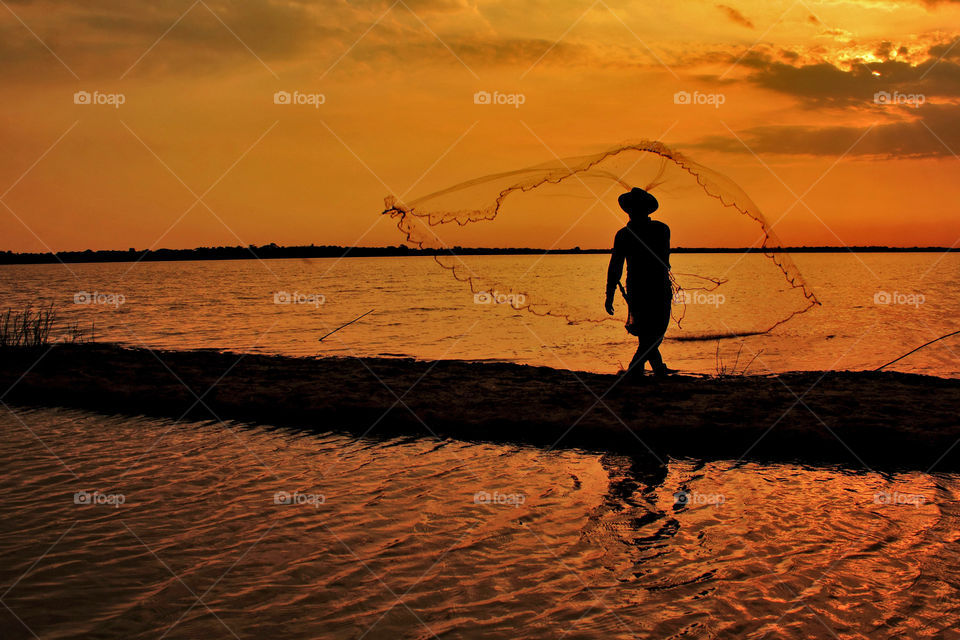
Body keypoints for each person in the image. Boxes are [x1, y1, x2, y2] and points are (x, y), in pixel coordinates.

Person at [604, 187, 672, 377]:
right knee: (654, 331)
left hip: (639, 288)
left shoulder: (624, 234)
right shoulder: (661, 229)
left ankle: (651, 368)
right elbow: (616, 265)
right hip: (655, 287)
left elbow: (615, 265)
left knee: (648, 332)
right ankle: (638, 368)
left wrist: (610, 293)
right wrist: (609, 294)